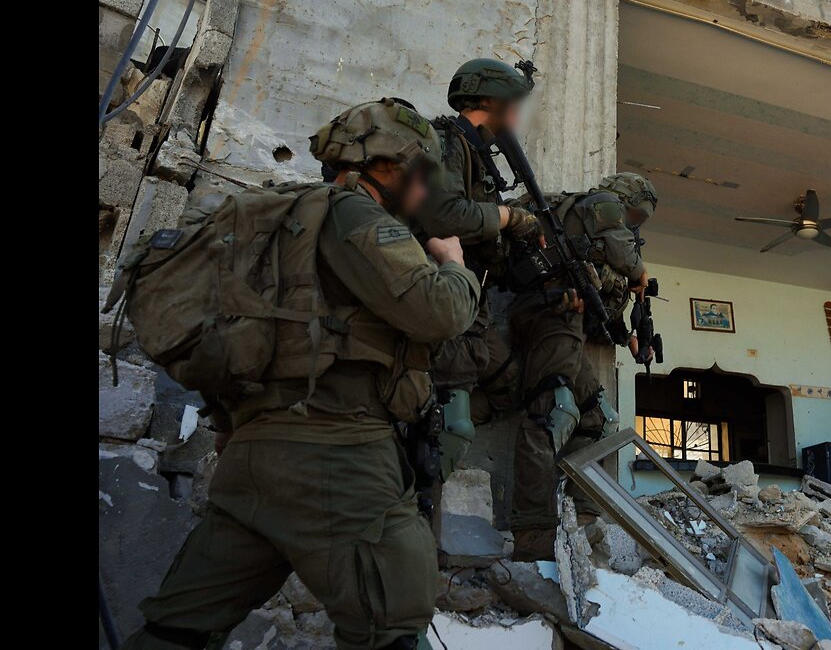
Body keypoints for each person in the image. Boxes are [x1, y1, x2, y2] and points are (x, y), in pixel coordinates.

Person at [123, 98, 480, 650]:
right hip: (338, 458)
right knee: (392, 629)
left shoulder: (280, 223)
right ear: (388, 166)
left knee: (179, 627)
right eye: (422, 175)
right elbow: (440, 312)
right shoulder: (354, 213)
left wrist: (229, 421)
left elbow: (246, 333)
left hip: (251, 460)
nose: (425, 191)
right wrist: (454, 263)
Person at [507, 172, 659, 560]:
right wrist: (640, 275)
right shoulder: (601, 206)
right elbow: (624, 253)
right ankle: (532, 532)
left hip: (569, 321)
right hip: (550, 314)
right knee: (550, 415)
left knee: (600, 422)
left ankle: (579, 517)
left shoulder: (580, 218)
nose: (634, 220)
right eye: (636, 210)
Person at [411, 58, 543, 490]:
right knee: (453, 429)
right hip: (444, 295)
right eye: (514, 104)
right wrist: (510, 217)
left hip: (472, 304)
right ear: (493, 100)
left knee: (497, 395)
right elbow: (444, 214)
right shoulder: (450, 141)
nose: (517, 116)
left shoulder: (475, 153)